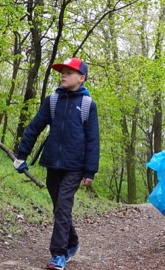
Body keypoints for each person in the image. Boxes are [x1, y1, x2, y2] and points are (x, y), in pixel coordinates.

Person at [13, 58, 100, 269]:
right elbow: (34, 127)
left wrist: (90, 170)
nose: (63, 75)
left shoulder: (88, 105)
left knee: (63, 207)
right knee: (58, 208)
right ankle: (73, 242)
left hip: (75, 166)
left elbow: (93, 139)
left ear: (81, 78)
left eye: (69, 72)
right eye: (62, 72)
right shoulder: (52, 101)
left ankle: (59, 254)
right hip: (53, 163)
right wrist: (21, 155)